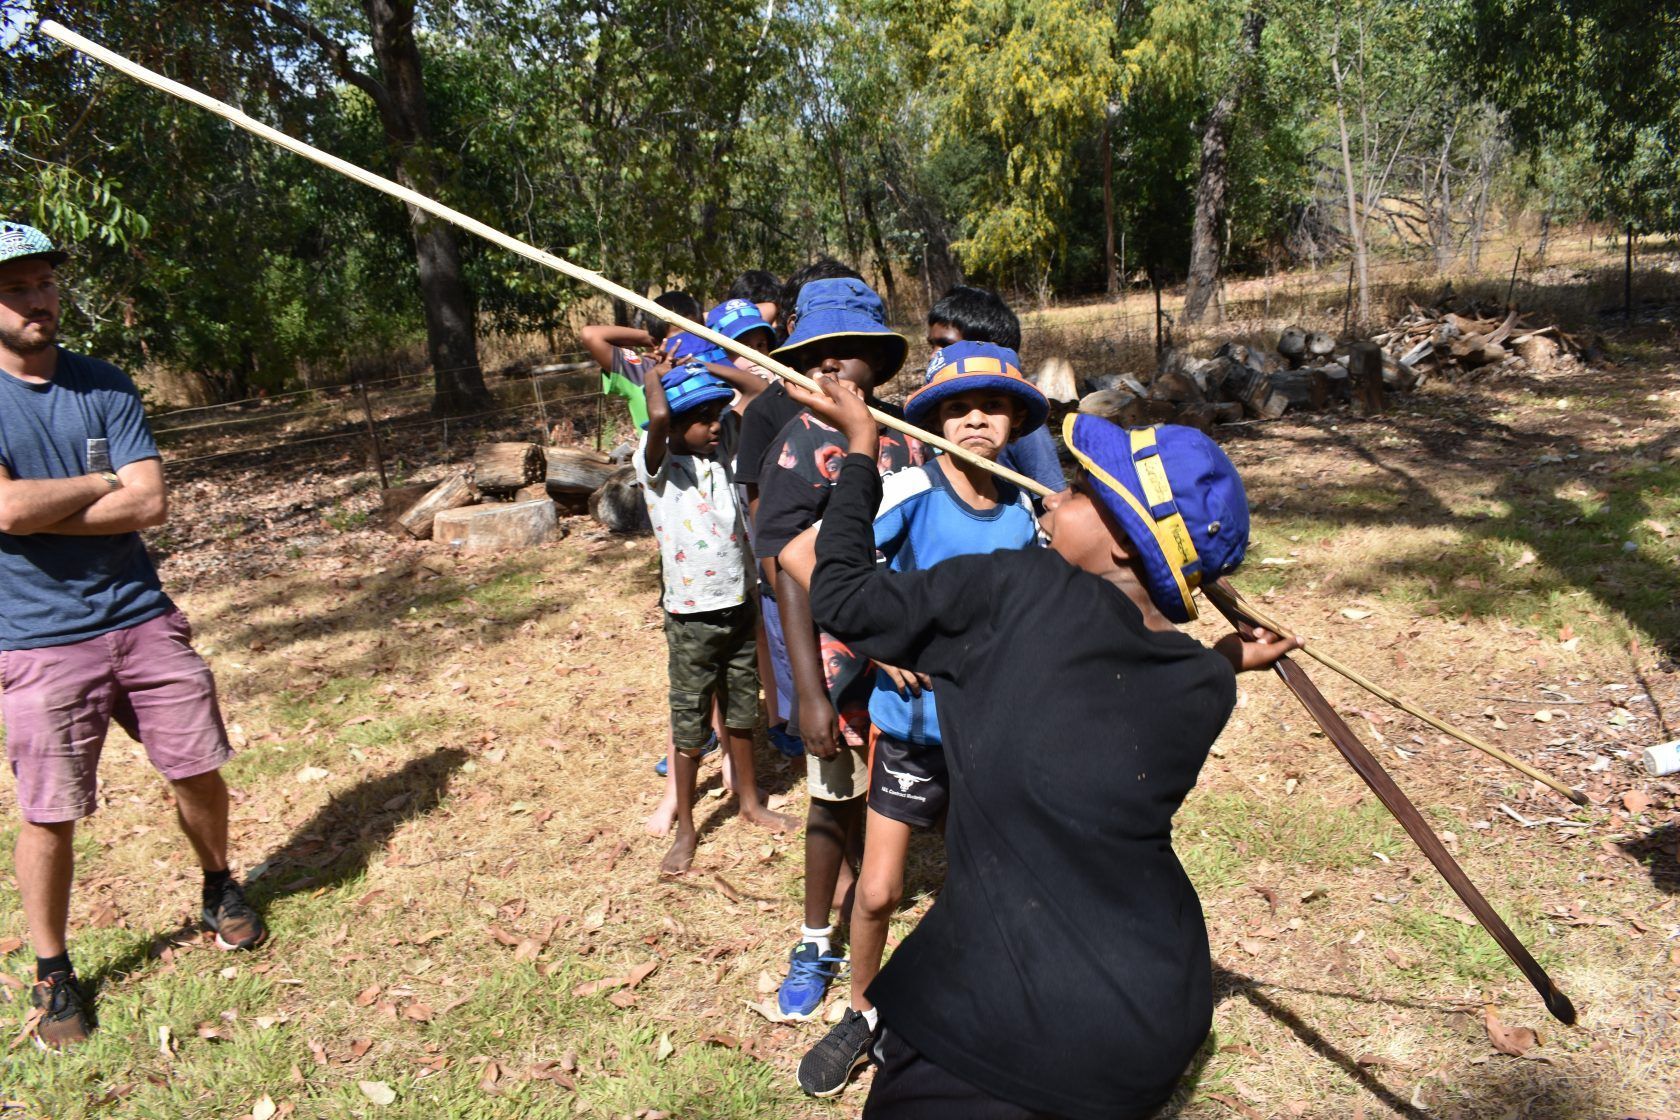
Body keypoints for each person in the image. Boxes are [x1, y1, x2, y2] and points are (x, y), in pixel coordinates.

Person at [778, 373, 1298, 1119]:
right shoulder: (1202, 687)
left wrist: (863, 450)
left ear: (1125, 540)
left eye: (1083, 491)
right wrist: (1228, 658)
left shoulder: (1015, 590)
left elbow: (843, 597)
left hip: (1015, 1025)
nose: (1055, 495)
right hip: (1156, 1012)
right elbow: (1151, 666)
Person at [0, 222, 267, 1050]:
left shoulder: (104, 383)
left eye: (43, 282)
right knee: (51, 813)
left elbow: (149, 503)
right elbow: (3, 512)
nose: (37, 298)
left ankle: (218, 884)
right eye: (17, 288)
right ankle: (53, 972)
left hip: (141, 616)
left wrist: (42, 504)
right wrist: (94, 481)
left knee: (198, 767)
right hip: (37, 638)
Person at [791, 342, 1049, 1097]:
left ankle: (973, 1010)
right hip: (907, 731)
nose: (975, 418)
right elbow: (807, 558)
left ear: (1014, 420)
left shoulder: (1022, 509)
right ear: (934, 418)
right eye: (958, 407)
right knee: (876, 892)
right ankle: (863, 1012)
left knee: (990, 888)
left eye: (993, 406)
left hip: (986, 737)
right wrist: (880, 636)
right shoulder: (909, 490)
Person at [752, 277, 922, 1021]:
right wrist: (811, 695)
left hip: (910, 657)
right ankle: (815, 936)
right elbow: (786, 569)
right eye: (816, 358)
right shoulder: (797, 446)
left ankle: (877, 906)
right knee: (831, 802)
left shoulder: (914, 436)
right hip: (836, 660)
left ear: (877, 367)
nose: (830, 371)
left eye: (848, 356)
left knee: (894, 789)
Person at [634, 357, 797, 875]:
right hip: (691, 617)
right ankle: (686, 830)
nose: (713, 426)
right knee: (689, 726)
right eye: (701, 419)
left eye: (716, 417)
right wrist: (651, 375)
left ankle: (750, 803)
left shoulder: (722, 453)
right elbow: (658, 417)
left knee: (743, 711)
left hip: (738, 603)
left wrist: (708, 364)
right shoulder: (656, 467)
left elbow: (759, 393)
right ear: (676, 426)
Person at [735, 259, 866, 762]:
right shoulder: (771, 415)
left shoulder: (899, 428)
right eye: (816, 347)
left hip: (885, 622)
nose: (830, 366)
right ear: (792, 333)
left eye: (848, 347)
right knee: (836, 778)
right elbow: (769, 528)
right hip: (811, 603)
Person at [925, 285, 1070, 508]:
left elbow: (1055, 500)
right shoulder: (941, 417)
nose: (934, 356)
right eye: (932, 345)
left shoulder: (1023, 432)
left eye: (946, 346)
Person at [580, 289, 702, 430]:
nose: (689, 344)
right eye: (680, 339)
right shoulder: (640, 370)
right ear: (658, 341)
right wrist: (652, 338)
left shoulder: (710, 365)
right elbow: (590, 335)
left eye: (695, 336)